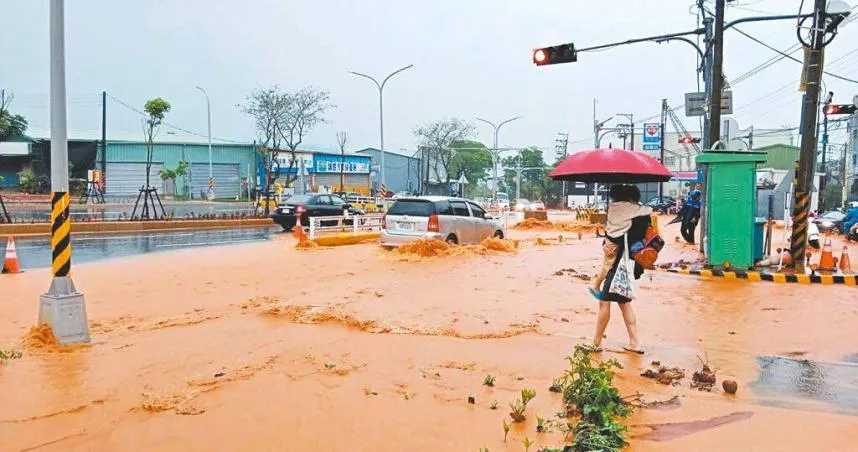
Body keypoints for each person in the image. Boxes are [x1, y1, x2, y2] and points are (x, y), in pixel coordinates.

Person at [587, 184, 652, 354]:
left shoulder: (616, 211)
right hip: (633, 263)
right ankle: (634, 343)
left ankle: (596, 343)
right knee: (624, 303)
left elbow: (611, 237)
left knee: (604, 301)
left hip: (618, 265)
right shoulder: (643, 213)